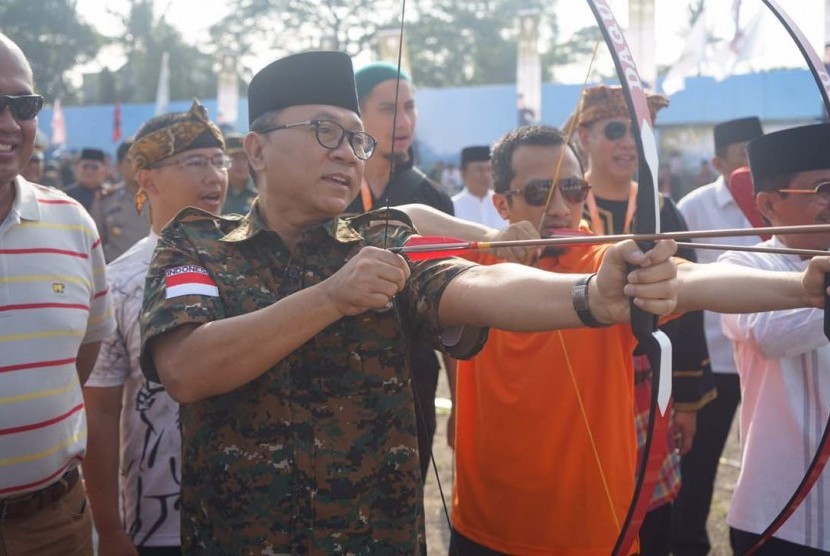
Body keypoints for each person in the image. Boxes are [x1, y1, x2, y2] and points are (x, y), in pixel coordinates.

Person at [137, 51, 830, 555]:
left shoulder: (385, 243)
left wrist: (594, 294)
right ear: (255, 148)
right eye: (324, 131)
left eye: (356, 136)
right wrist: (329, 297)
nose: (346, 152)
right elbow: (189, 370)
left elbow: (480, 286)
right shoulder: (198, 245)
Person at [82, 101, 229, 556]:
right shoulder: (121, 283)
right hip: (158, 523)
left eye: (219, 161)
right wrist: (109, 528)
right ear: (146, 179)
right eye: (194, 162)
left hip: (254, 512)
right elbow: (102, 413)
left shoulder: (256, 262)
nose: (215, 176)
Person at [574, 84, 715, 554]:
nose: (629, 143)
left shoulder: (664, 210)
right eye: (616, 130)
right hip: (578, 385)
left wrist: (688, 402)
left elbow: (689, 310)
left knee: (648, 515)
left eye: (638, 132)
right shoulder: (564, 208)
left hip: (645, 385)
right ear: (583, 137)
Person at [0, 32, 114, 555]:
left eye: (21, 104)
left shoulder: (72, 222)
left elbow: (78, 360)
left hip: (53, 523)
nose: (7, 124)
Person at [344, 60, 455, 482]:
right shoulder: (331, 189)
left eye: (410, 107)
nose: (404, 120)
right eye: (388, 109)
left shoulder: (430, 198)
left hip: (413, 381)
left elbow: (452, 305)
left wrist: (459, 403)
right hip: (338, 380)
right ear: (357, 116)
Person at [723, 123, 830, 554]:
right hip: (782, 516)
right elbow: (772, 335)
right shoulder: (742, 265)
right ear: (767, 204)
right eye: (823, 188)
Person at [673, 115, 766, 556]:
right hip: (718, 360)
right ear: (717, 160)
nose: (751, 162)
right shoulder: (692, 208)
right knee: (700, 464)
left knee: (767, 459)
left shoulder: (777, 202)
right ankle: (690, 543)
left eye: (757, 152)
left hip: (770, 356)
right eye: (742, 154)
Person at [89, 140, 151, 262]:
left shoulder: (162, 197)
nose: (136, 166)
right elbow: (94, 243)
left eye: (140, 161)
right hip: (116, 275)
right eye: (129, 161)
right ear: (119, 166)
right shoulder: (105, 199)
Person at [451, 145, 505, 229]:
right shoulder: (453, 205)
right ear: (463, 173)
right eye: (479, 170)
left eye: (489, 170)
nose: (485, 175)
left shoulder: (503, 203)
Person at [221, 133, 257, 215]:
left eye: (245, 158)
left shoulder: (261, 192)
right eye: (235, 157)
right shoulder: (217, 190)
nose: (241, 164)